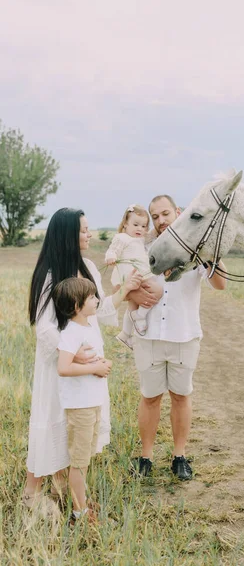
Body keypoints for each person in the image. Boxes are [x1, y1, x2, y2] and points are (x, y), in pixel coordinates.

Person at [23, 207, 140, 513]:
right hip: (60, 365)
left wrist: (125, 291)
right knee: (52, 418)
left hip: (86, 365)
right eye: (84, 230)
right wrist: (75, 354)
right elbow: (45, 327)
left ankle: (65, 486)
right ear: (67, 235)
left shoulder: (87, 266)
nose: (89, 234)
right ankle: (31, 491)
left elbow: (100, 310)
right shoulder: (49, 275)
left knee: (76, 422)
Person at [130, 194, 226, 481]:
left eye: (165, 214)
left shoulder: (196, 251)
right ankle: (145, 457)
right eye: (155, 216)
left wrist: (210, 255)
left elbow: (220, 285)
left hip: (184, 335)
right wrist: (134, 293)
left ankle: (179, 456)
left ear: (178, 213)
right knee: (150, 397)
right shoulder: (143, 248)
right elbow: (127, 284)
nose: (160, 221)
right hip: (149, 336)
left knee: (181, 396)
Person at [53, 277, 113, 524]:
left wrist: (103, 364)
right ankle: (80, 513)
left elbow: (97, 360)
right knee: (79, 462)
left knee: (85, 458)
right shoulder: (71, 333)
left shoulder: (88, 328)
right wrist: (94, 369)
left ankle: (82, 501)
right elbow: (63, 368)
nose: (97, 300)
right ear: (77, 306)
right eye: (91, 297)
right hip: (80, 407)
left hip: (92, 402)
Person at [105, 204, 163, 348]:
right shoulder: (122, 238)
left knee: (133, 304)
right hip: (131, 275)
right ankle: (140, 315)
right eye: (136, 225)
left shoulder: (141, 238)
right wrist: (110, 257)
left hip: (138, 274)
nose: (140, 229)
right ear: (125, 223)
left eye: (144, 226)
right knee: (158, 291)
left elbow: (153, 233)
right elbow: (112, 250)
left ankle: (125, 334)